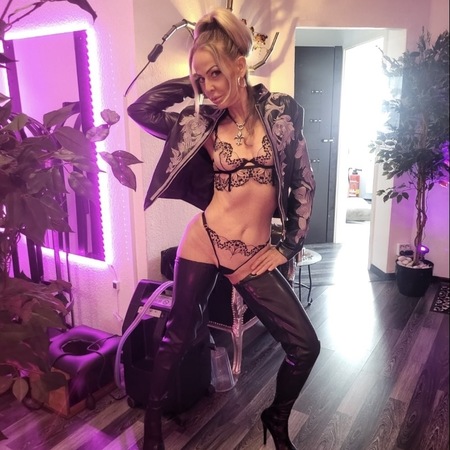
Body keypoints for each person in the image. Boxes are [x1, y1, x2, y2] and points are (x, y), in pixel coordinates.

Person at [127, 7, 320, 450]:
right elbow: (141, 109)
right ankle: (152, 424)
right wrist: (191, 80)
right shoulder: (202, 124)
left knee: (305, 346)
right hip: (205, 239)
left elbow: (304, 181)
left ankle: (275, 417)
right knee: (177, 336)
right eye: (201, 79)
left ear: (240, 64)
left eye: (216, 73)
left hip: (250, 255)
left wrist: (289, 245)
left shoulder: (281, 112)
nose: (209, 87)